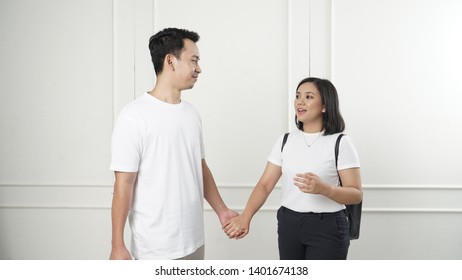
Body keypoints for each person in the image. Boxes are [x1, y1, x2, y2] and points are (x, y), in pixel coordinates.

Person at [109, 27, 238, 260]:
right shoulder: (133, 116)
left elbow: (199, 168)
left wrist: (222, 210)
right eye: (194, 60)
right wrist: (117, 245)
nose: (199, 69)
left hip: (194, 241)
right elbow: (123, 184)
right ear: (170, 61)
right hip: (155, 249)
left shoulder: (191, 114)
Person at [224, 77, 362, 260]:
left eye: (309, 96)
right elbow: (265, 184)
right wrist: (245, 217)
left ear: (325, 106)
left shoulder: (340, 142)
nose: (300, 101)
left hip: (327, 227)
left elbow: (356, 194)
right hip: (289, 223)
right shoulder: (285, 141)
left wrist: (325, 189)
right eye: (298, 96)